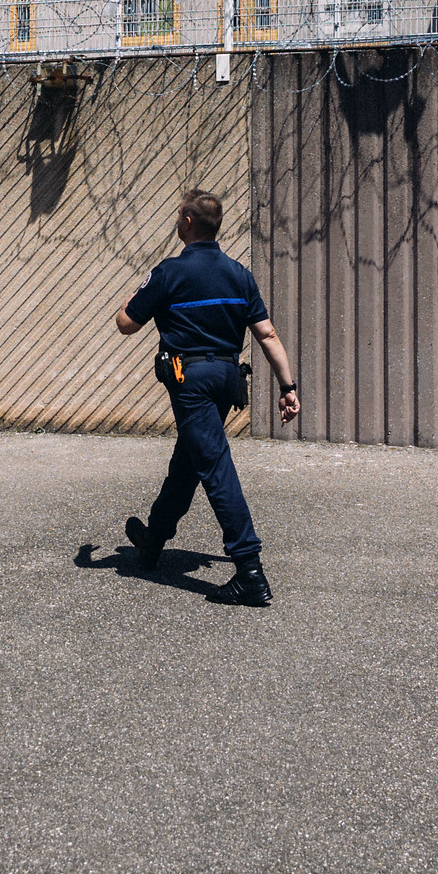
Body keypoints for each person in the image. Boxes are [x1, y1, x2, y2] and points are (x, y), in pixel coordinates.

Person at [113, 189, 299, 607]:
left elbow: (126, 323)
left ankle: (249, 570)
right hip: (227, 378)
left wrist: (132, 297)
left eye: (179, 216)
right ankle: (152, 541)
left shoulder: (169, 272)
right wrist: (288, 388)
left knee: (214, 465)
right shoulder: (239, 274)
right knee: (189, 461)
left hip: (190, 380)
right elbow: (266, 334)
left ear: (189, 223)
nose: (177, 222)